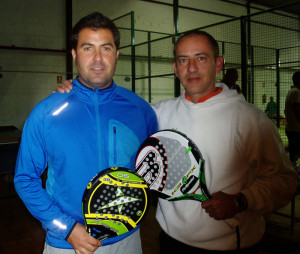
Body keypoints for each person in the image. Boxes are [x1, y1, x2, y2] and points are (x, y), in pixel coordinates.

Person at [56, 30, 297, 253]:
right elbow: (111, 113)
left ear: (218, 64)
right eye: (183, 60)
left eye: (201, 58)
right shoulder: (159, 113)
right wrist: (77, 90)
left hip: (231, 244)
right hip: (171, 241)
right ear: (175, 68)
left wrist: (241, 200)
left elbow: (285, 181)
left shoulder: (250, 119)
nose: (192, 68)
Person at [14, 12, 158, 254]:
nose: (98, 59)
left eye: (106, 48)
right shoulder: (46, 112)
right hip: (68, 242)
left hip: (128, 239)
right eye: (88, 48)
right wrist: (68, 229)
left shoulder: (141, 110)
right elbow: (25, 179)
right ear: (74, 55)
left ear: (117, 54)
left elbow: (151, 167)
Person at [285, 71, 300, 169]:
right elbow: (297, 110)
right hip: (296, 128)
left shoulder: (292, 91)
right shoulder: (296, 92)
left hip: (292, 127)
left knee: (293, 149)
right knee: (294, 152)